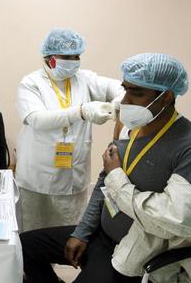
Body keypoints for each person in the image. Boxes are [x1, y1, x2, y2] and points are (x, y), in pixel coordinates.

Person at [20, 53, 191, 282]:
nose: (125, 102)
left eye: (136, 93)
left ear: (167, 96)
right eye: (126, 90)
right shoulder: (134, 127)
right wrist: (82, 233)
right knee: (24, 247)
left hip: (136, 251)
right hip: (101, 235)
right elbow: (104, 182)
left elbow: (173, 217)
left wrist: (116, 176)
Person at [16, 28, 123, 232]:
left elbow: (119, 88)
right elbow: (36, 119)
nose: (74, 61)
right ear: (50, 58)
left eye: (77, 56)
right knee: (32, 234)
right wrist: (81, 112)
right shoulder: (31, 83)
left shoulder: (83, 78)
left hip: (73, 174)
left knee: (69, 232)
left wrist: (117, 104)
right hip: (37, 175)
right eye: (67, 57)